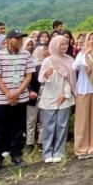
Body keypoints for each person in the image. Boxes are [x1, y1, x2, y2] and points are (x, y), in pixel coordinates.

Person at [0, 29, 36, 171]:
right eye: (16, 39)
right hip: (3, 99)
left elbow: (28, 76)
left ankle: (16, 155)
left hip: (20, 98)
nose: (19, 41)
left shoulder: (26, 55)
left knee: (18, 128)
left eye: (21, 39)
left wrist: (18, 93)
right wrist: (9, 94)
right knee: (0, 129)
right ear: (8, 40)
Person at [38, 35, 76, 163]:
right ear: (55, 45)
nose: (64, 47)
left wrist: (64, 94)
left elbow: (71, 80)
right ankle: (47, 152)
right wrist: (46, 74)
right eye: (61, 44)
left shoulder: (70, 60)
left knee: (62, 125)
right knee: (48, 126)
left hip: (64, 98)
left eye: (66, 44)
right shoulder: (48, 60)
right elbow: (40, 79)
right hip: (49, 97)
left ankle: (59, 151)